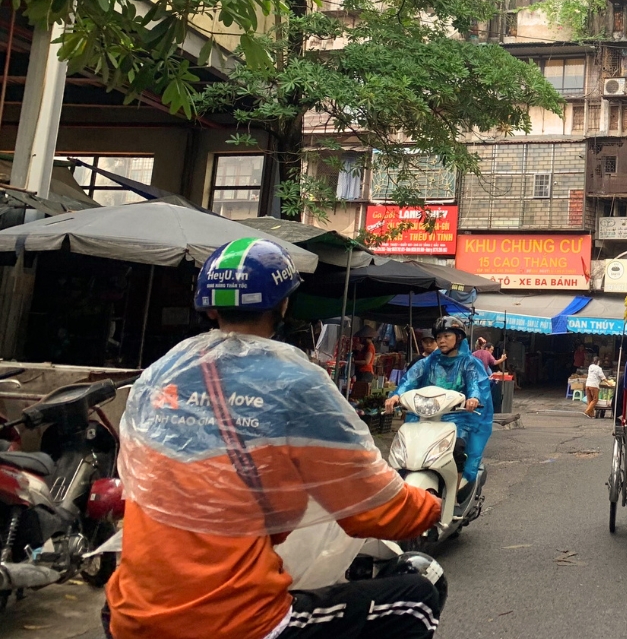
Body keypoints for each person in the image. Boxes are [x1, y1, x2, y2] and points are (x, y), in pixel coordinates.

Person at [107, 238, 443, 638]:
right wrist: (429, 506)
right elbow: (372, 508)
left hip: (127, 615)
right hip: (235, 622)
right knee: (415, 597)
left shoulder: (164, 370)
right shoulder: (296, 381)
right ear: (284, 306)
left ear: (210, 307)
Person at [386, 316, 493, 488]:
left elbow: (474, 384)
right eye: (439, 337)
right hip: (426, 418)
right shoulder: (426, 362)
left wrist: (473, 398)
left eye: (446, 336)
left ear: (458, 338)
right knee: (407, 451)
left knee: (458, 450)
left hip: (457, 420)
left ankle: (455, 493)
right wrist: (396, 395)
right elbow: (409, 381)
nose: (441, 341)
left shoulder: (468, 363)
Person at [472, 337, 507, 412]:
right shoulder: (487, 353)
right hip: (484, 379)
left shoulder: (473, 354)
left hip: (475, 378)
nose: (492, 352)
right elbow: (494, 362)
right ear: (485, 346)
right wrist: (502, 359)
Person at [352, 326, 377, 400]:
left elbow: (366, 361)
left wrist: (354, 361)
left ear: (366, 338)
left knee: (362, 394)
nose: (360, 340)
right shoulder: (365, 347)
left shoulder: (370, 347)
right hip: (361, 372)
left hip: (365, 373)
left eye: (361, 338)